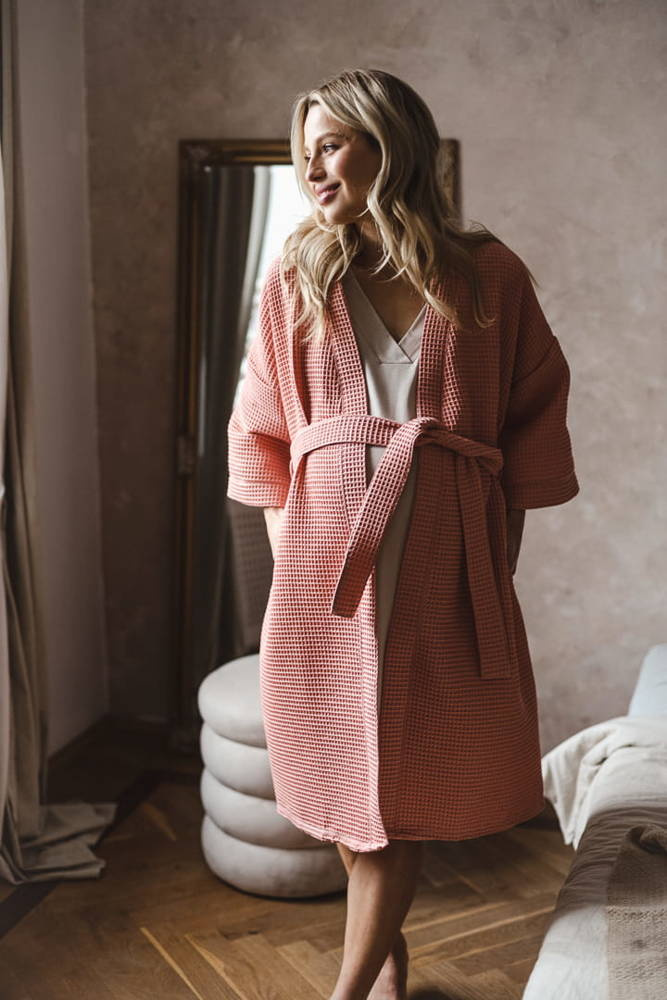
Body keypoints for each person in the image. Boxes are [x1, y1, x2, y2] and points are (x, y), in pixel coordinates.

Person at [227, 68, 579, 1000]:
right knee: (345, 771)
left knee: (405, 775)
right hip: (325, 569)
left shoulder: (488, 275)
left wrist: (494, 562)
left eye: (331, 144)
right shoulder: (297, 276)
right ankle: (385, 961)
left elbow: (529, 423)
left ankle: (349, 989)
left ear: (391, 144)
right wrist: (294, 563)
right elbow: (258, 430)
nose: (311, 167)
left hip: (445, 559)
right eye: (303, 151)